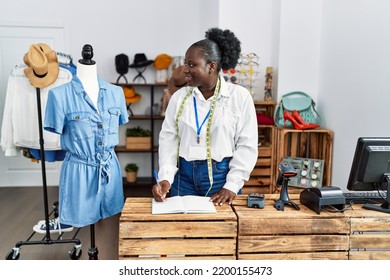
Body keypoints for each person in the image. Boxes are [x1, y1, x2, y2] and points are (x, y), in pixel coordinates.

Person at [152, 28, 258, 205]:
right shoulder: (180, 97)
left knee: (220, 230)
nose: (185, 70)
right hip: (183, 177)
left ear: (211, 66)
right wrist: (166, 178)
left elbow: (247, 144)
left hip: (221, 178)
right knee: (183, 229)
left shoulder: (239, 97)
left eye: (192, 65)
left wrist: (232, 185)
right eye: (186, 63)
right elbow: (168, 138)